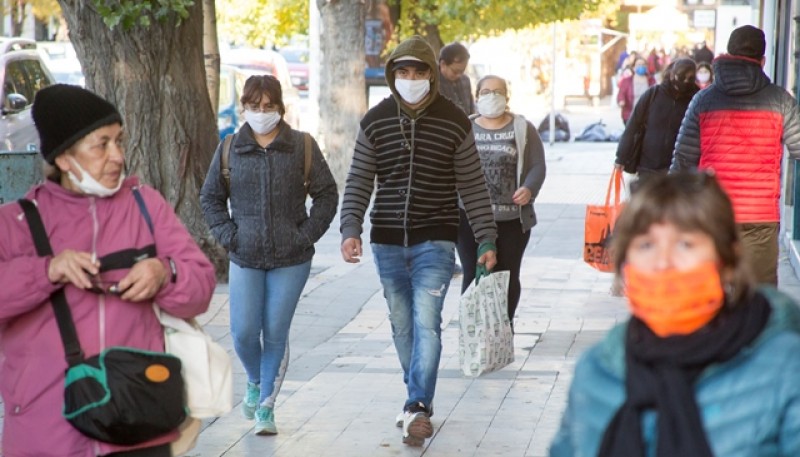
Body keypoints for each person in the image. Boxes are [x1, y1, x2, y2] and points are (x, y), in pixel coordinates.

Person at [0, 84, 217, 457]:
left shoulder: (145, 205)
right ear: (65, 158)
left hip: (139, 423)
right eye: (101, 145)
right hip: (47, 433)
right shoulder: (14, 223)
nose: (117, 155)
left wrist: (164, 273)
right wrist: (47, 270)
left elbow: (200, 286)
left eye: (119, 141)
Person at [549, 171, 800, 457]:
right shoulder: (597, 370)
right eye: (646, 245)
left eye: (685, 244)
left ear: (727, 261)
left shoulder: (784, 368)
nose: (663, 261)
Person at [339, 35, 498, 447]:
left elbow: (474, 187)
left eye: (419, 71)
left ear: (432, 74)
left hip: (437, 241)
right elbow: (359, 179)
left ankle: (417, 407)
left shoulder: (454, 121)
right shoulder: (375, 121)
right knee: (401, 324)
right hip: (387, 240)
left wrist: (486, 239)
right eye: (403, 72)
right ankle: (416, 399)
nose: (411, 79)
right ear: (393, 76)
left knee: (428, 323)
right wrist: (350, 227)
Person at [200, 75, 338, 436]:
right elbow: (210, 198)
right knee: (244, 332)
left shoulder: (302, 146)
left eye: (269, 106)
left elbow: (327, 194)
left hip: (291, 258)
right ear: (244, 107)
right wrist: (230, 236)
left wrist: (305, 234)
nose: (262, 113)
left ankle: (266, 407)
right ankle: (255, 380)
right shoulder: (230, 147)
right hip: (245, 255)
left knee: (275, 331)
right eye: (254, 106)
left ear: (280, 108)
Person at [671, 25, 800, 285]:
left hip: (713, 213)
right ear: (762, 61)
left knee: (712, 293)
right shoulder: (782, 100)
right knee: (759, 296)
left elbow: (682, 161)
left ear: (726, 55)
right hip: (760, 216)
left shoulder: (702, 100)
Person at [456, 75, 546, 329]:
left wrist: (529, 189)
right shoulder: (465, 128)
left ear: (507, 97)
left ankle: (502, 328)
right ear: (476, 96)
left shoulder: (522, 128)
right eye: (486, 91)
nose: (492, 96)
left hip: (511, 221)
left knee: (507, 275)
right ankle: (473, 329)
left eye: (498, 91)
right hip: (469, 219)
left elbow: (537, 165)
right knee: (474, 273)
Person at [615, 58, 698, 179]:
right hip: (648, 166)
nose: (685, 82)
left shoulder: (697, 98)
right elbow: (633, 126)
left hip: (680, 169)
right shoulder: (653, 94)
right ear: (672, 75)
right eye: (681, 77)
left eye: (689, 79)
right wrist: (621, 157)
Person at [438, 42, 475, 115]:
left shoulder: (465, 80)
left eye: (462, 71)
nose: (459, 75)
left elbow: (471, 109)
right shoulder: (433, 82)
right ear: (443, 64)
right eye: (455, 71)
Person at [617, 57, 655, 125]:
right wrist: (621, 101)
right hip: (630, 115)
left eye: (643, 64)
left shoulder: (651, 80)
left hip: (647, 115)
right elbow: (621, 94)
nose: (641, 66)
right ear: (634, 67)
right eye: (639, 64)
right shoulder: (626, 81)